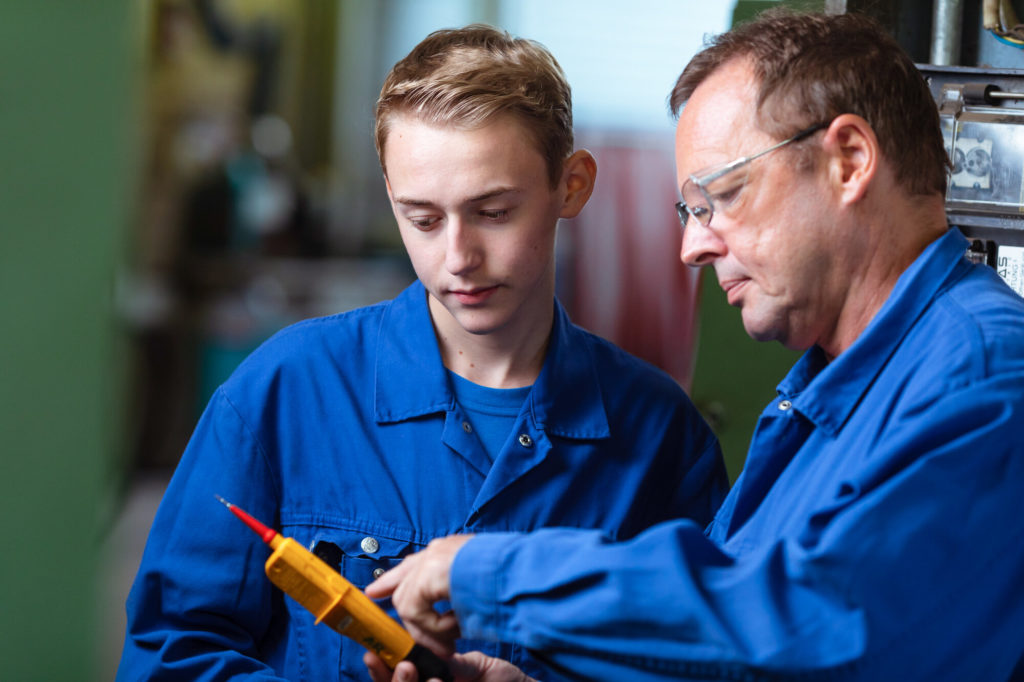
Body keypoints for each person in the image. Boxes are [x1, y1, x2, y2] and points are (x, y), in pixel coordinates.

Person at [367, 10, 1024, 681]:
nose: (692, 247)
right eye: (691, 211)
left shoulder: (983, 377)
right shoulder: (837, 392)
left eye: (723, 195)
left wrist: (493, 575)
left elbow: (815, 622)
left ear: (849, 161)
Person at [116, 24, 728, 681]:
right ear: (391, 196)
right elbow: (168, 654)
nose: (457, 259)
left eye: (493, 212)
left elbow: (706, 663)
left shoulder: (662, 436)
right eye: (424, 219)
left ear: (571, 185)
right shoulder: (283, 391)